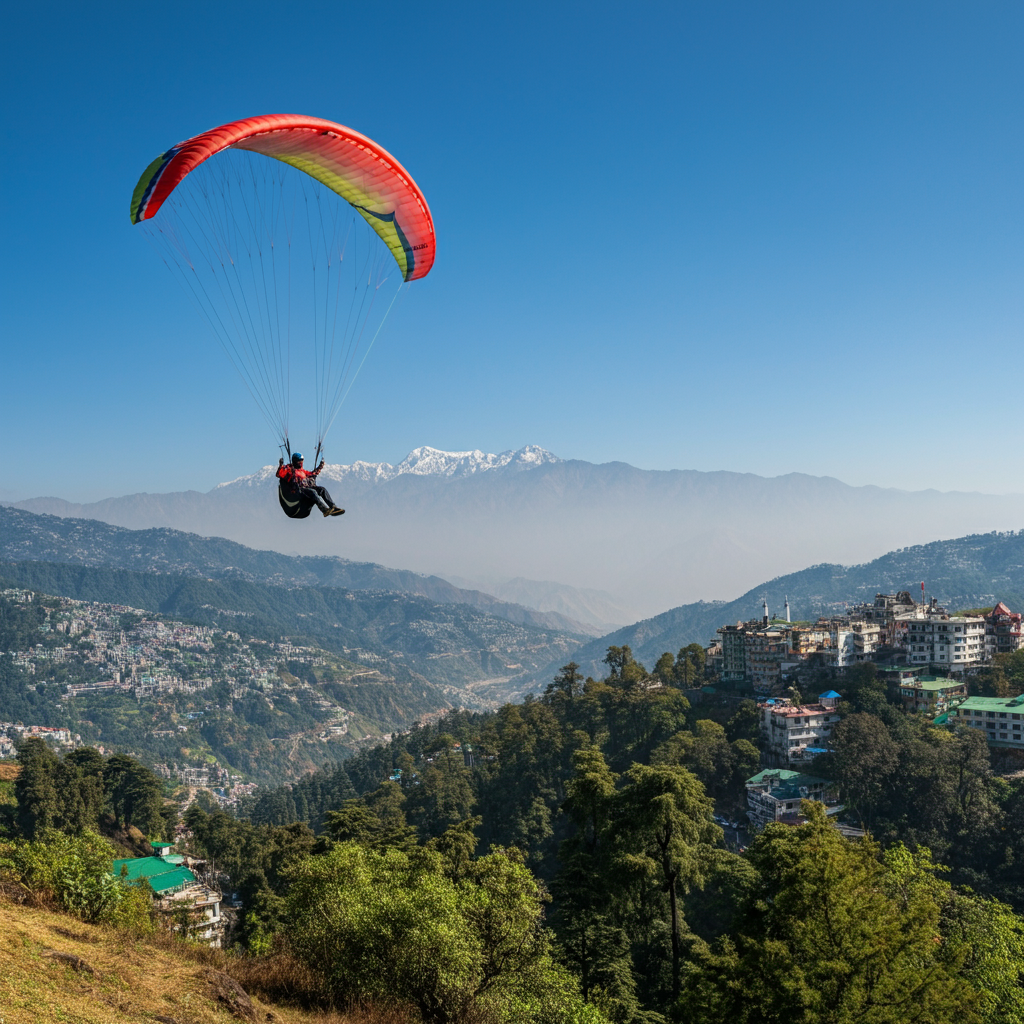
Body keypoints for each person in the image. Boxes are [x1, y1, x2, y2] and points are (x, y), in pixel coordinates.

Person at [276, 453, 345, 519]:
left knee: (322, 489)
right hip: (297, 492)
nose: (301, 463)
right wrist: (281, 465)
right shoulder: (289, 470)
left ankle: (333, 507)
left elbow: (312, 474)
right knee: (312, 492)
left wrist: (320, 466)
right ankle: (324, 510)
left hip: (306, 490)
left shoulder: (302, 471)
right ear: (295, 461)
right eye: (300, 461)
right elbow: (279, 474)